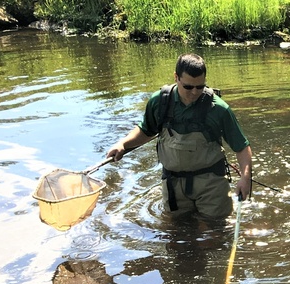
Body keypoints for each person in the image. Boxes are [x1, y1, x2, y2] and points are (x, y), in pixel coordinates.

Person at [107, 53, 252, 220]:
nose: (195, 92)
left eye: (200, 87)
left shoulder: (218, 109)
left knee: (213, 235)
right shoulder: (159, 102)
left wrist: (245, 178)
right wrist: (123, 144)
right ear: (176, 77)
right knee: (175, 235)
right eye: (189, 87)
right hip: (173, 184)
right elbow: (146, 131)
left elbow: (241, 147)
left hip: (211, 183)